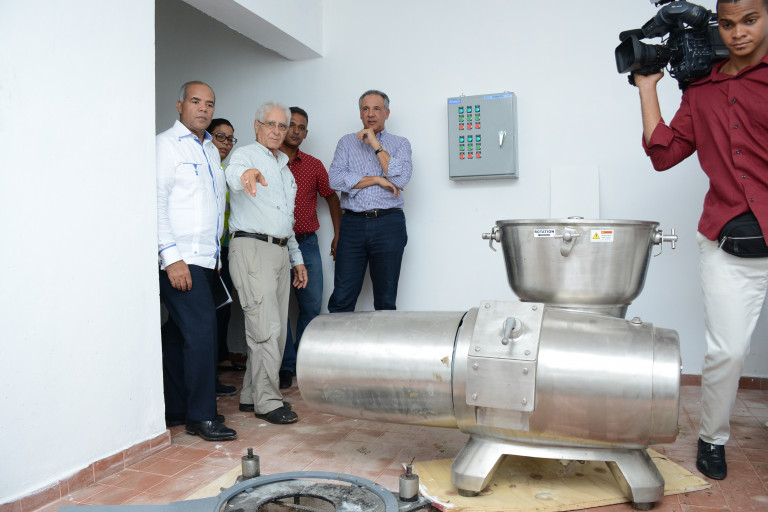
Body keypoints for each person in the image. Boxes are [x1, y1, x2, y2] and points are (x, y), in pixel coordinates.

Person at [634, 0, 768, 480]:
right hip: (728, 237)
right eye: (728, 24)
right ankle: (713, 439)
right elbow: (664, 154)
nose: (738, 33)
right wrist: (647, 87)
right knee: (727, 351)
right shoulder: (701, 92)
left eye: (750, 20)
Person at [156, 81, 237, 441]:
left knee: (178, 335)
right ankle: (202, 416)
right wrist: (170, 257)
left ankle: (176, 409)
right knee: (203, 336)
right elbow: (156, 203)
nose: (203, 108)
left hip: (206, 260)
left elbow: (212, 206)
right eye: (195, 101)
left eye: (209, 103)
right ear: (180, 105)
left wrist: (216, 256)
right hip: (180, 260)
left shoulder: (210, 151)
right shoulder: (166, 145)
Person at [225, 101, 308, 424]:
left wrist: (296, 258)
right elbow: (233, 174)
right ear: (256, 126)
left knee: (274, 329)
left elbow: (286, 220)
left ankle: (251, 395)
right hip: (252, 248)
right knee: (266, 329)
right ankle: (268, 401)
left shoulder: (284, 169)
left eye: (281, 125)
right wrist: (244, 175)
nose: (276, 130)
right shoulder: (245, 155)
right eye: (270, 124)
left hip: (280, 250)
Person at [327, 90, 412, 313]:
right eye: (366, 109)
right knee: (342, 298)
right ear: (360, 113)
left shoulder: (400, 144)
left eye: (377, 109)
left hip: (388, 224)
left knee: (385, 300)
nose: (371, 114)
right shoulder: (346, 142)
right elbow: (334, 180)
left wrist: (375, 143)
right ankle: (337, 338)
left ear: (387, 113)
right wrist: (377, 179)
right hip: (352, 225)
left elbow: (400, 179)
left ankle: (382, 338)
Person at [278, 107, 342, 389]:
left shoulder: (314, 165)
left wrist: (338, 235)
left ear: (306, 133)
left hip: (307, 244)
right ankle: (284, 364)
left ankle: (299, 362)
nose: (296, 131)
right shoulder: (269, 162)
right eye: (291, 125)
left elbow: (332, 198)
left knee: (312, 306)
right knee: (278, 308)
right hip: (276, 245)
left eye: (301, 127)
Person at [206, 118, 245, 397]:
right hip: (209, 254)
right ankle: (209, 374)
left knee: (222, 309)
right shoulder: (208, 170)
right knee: (210, 314)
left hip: (226, 250)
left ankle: (219, 360)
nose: (226, 143)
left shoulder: (226, 172)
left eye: (230, 139)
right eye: (220, 136)